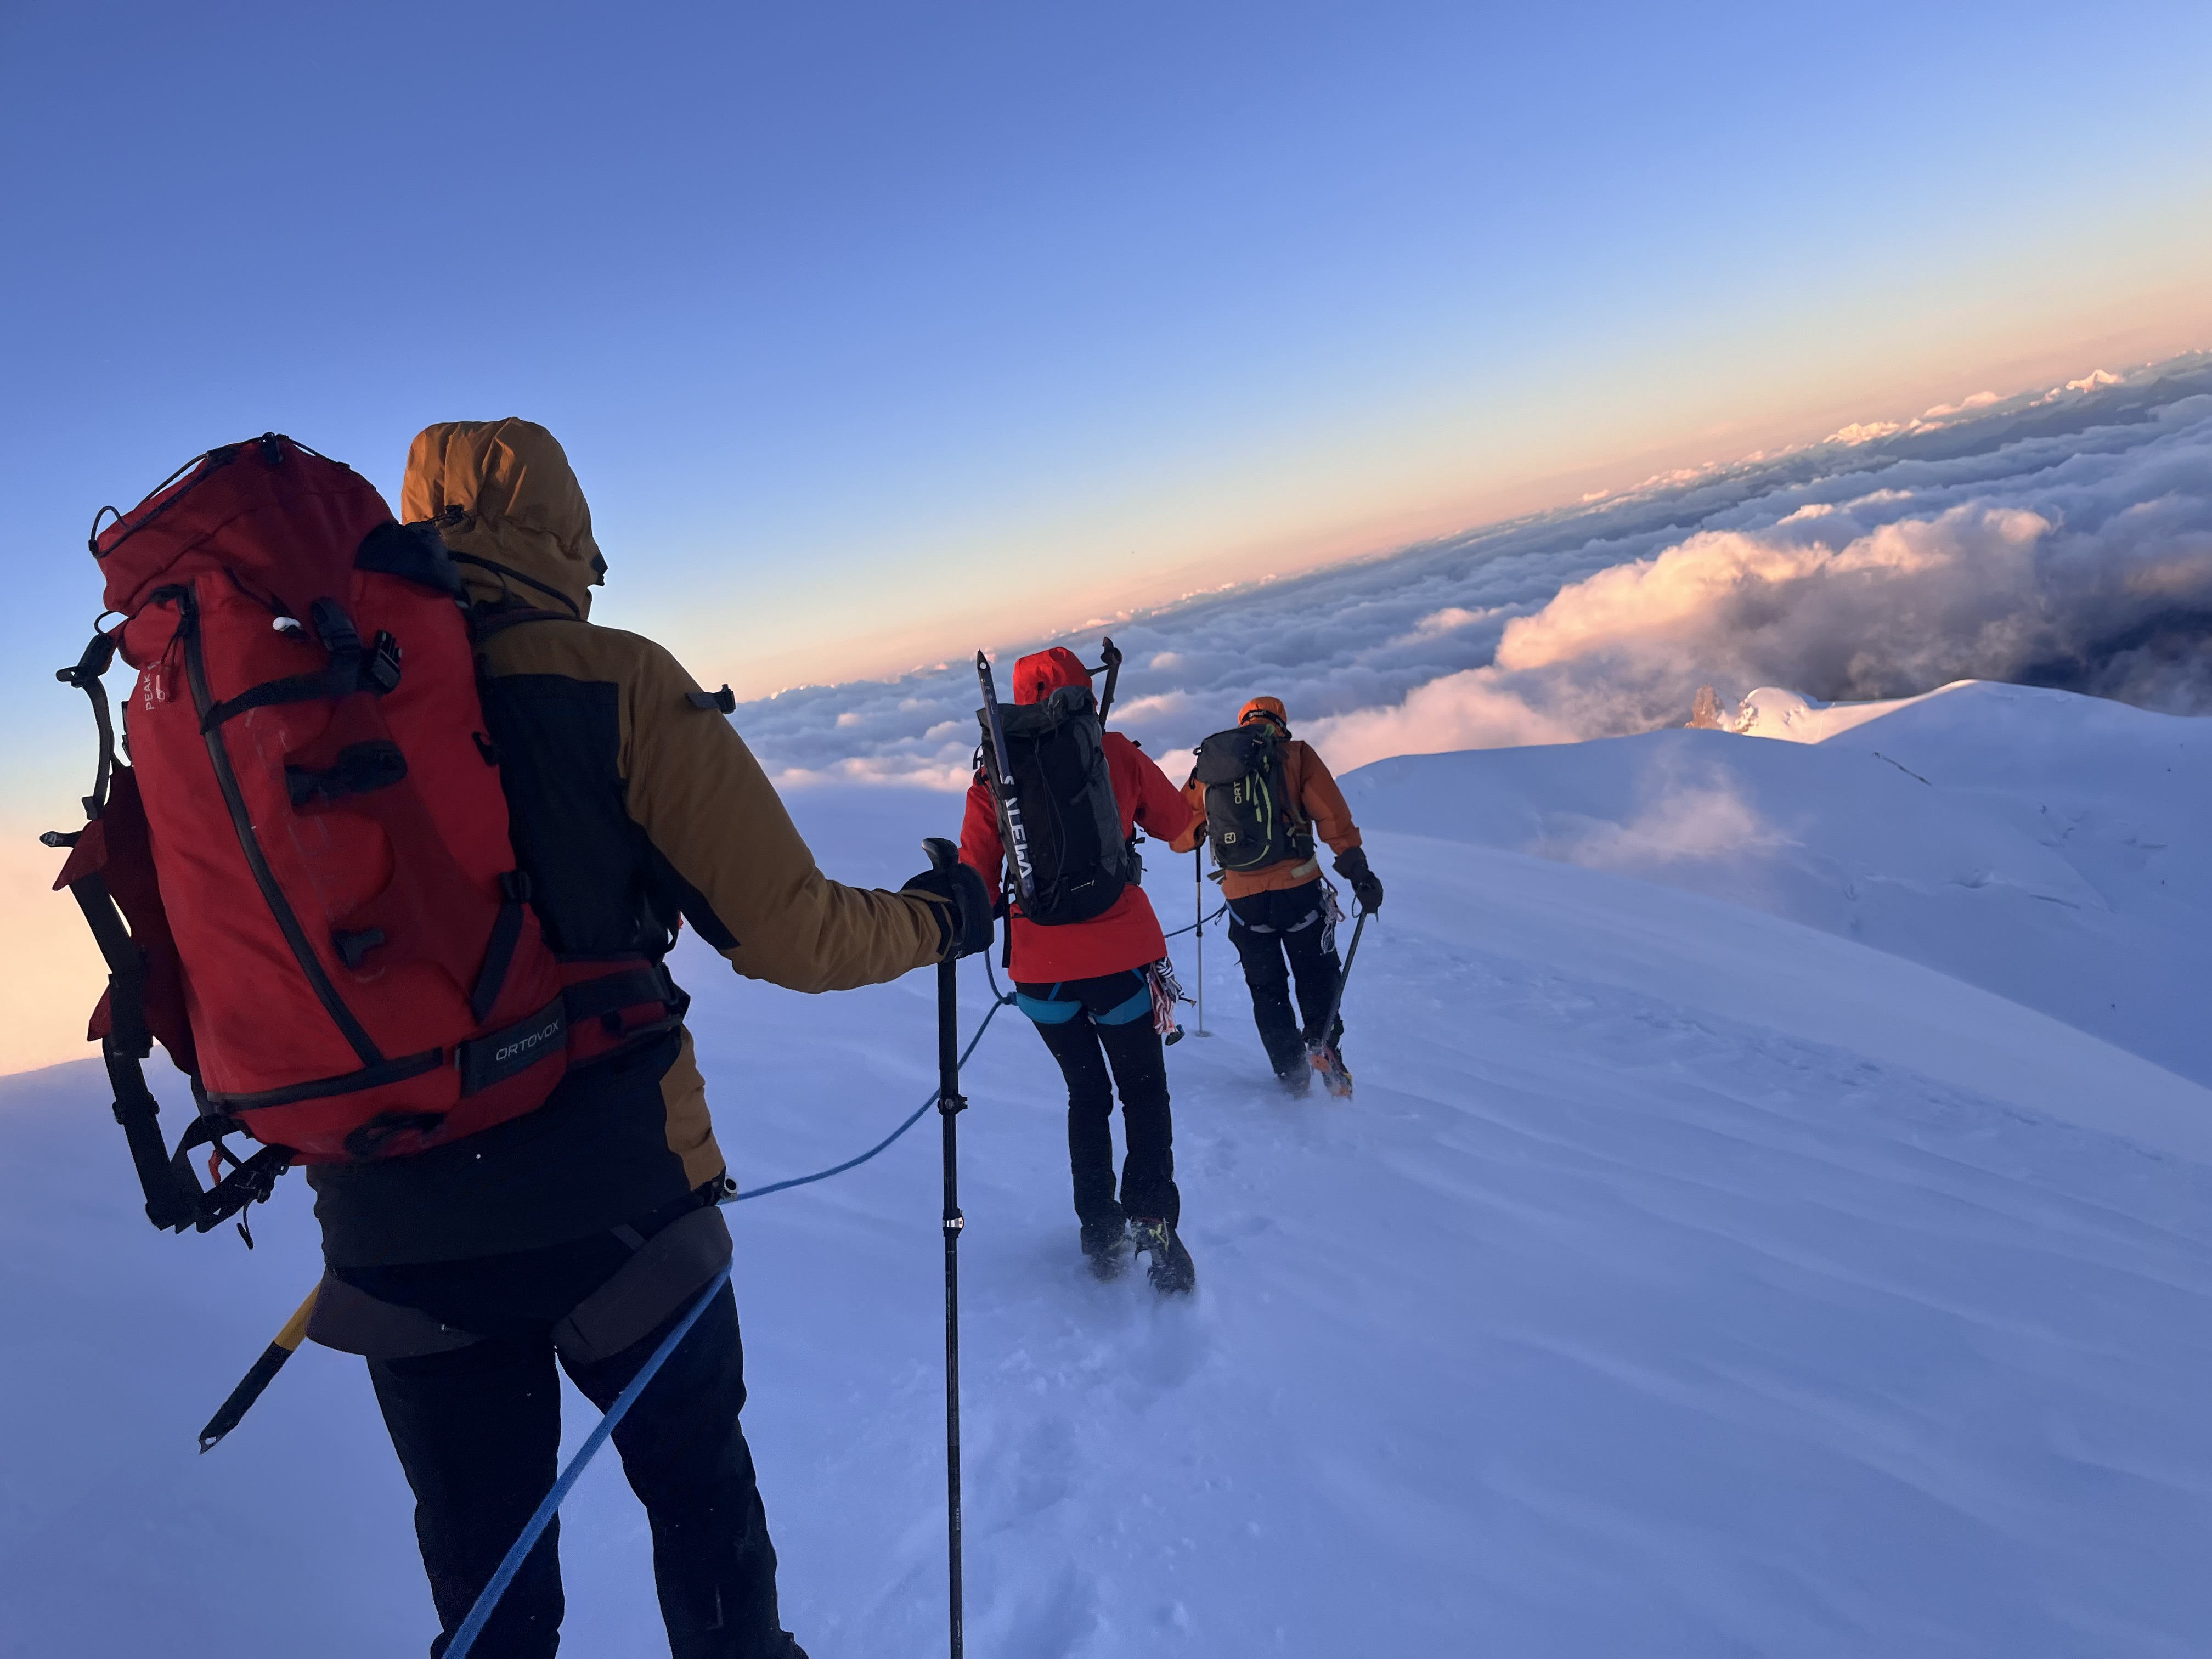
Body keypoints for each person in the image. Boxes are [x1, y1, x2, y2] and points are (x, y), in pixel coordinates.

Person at [317, 420, 991, 1659]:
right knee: (699, 1500)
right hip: (619, 1208)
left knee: (488, 1597)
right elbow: (792, 934)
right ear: (565, 531)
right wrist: (942, 920)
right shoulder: (614, 678)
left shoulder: (319, 702)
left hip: (396, 1237)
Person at [957, 647, 1201, 1292]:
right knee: (1142, 1090)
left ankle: (1099, 1231)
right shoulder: (1113, 751)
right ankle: (1152, 1217)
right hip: (1121, 961)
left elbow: (978, 887)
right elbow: (1180, 827)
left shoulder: (993, 777)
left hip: (1040, 975)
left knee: (1086, 1095)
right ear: (1084, 695)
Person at [1171, 696, 1383, 1093]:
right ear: (1281, 724)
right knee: (1315, 972)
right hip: (1298, 890)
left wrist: (1207, 827)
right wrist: (1359, 873)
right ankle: (1322, 1042)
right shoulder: (1296, 754)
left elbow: (1180, 837)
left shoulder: (1213, 764)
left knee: (1267, 989)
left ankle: (1291, 1075)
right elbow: (1333, 817)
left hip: (1244, 901)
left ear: (1242, 722)